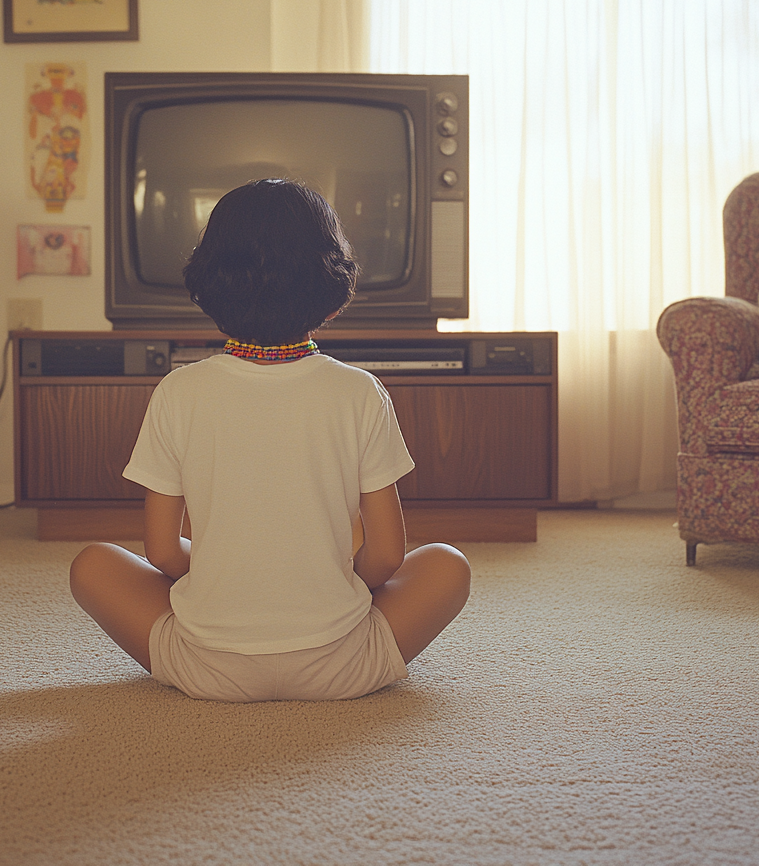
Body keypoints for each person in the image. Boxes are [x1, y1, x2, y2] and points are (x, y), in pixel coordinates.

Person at [69, 178, 471, 701]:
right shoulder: (361, 393)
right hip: (344, 666)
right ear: (330, 288)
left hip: (206, 669)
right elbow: (388, 555)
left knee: (92, 566)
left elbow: (164, 553)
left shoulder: (178, 391)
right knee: (447, 565)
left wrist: (227, 573)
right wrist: (327, 580)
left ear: (207, 283)